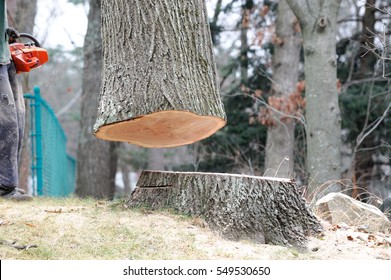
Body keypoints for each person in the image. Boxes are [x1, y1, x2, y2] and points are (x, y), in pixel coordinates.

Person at [0, 0, 31, 201]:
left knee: (17, 122)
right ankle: (4, 187)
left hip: (4, 58)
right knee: (6, 122)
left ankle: (8, 185)